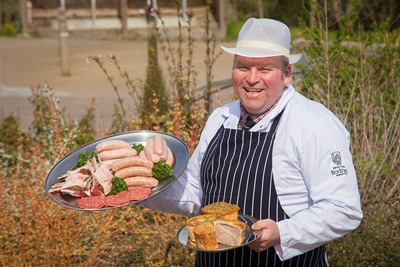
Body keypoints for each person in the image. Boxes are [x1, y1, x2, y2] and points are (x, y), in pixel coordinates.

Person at [142, 18, 363, 266]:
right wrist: (145, 184)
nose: (251, 79)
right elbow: (195, 194)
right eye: (243, 67)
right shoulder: (220, 119)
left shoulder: (314, 124)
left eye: (265, 69)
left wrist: (282, 232)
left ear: (286, 73)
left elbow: (344, 210)